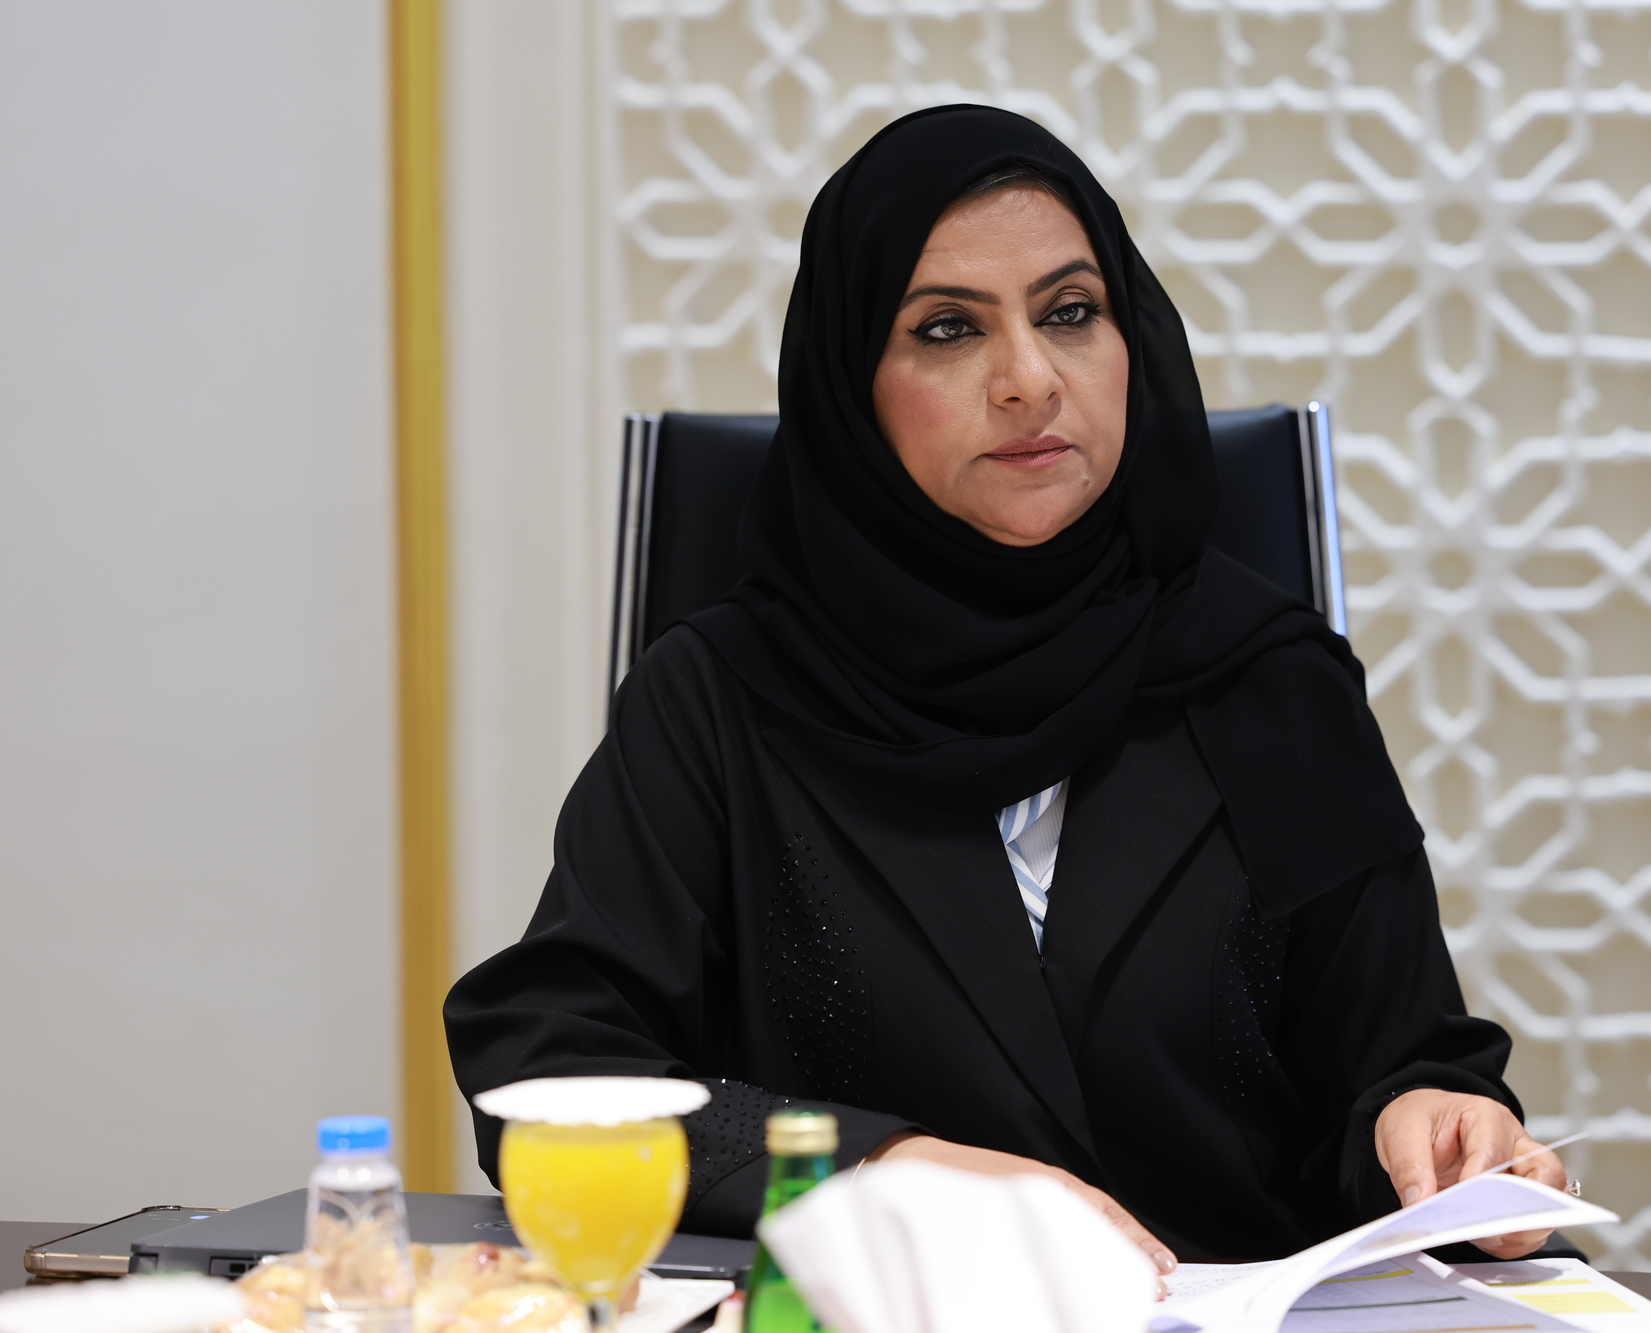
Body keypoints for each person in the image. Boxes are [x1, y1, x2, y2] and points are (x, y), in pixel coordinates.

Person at [444, 104, 1565, 1270]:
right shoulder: (717, 699)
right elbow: (551, 1076)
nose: (1029, 380)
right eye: (945, 329)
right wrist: (882, 1166)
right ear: (851, 386)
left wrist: (1430, 1122)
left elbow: (1390, 1061)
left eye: (1069, 313)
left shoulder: (1268, 678)